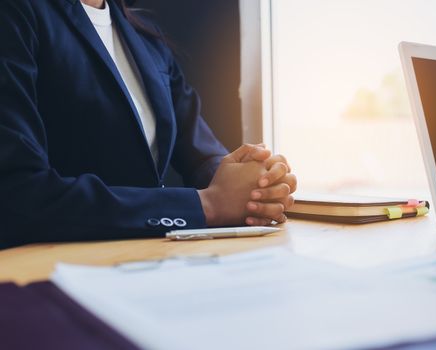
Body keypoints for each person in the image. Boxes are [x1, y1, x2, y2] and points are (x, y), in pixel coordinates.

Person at [0, 0, 297, 249]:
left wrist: (256, 185)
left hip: (149, 258)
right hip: (54, 266)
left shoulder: (147, 38)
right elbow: (19, 194)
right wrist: (206, 205)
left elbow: (202, 154)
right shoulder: (15, 13)